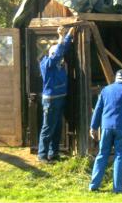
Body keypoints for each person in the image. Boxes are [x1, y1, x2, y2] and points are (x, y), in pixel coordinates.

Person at [37, 26, 75, 163]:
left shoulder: (57, 62)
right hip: (51, 101)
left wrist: (69, 36)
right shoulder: (47, 64)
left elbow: (62, 50)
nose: (60, 57)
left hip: (60, 99)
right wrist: (60, 37)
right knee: (48, 128)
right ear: (50, 54)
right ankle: (42, 155)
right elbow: (58, 53)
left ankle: (53, 154)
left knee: (58, 128)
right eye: (56, 54)